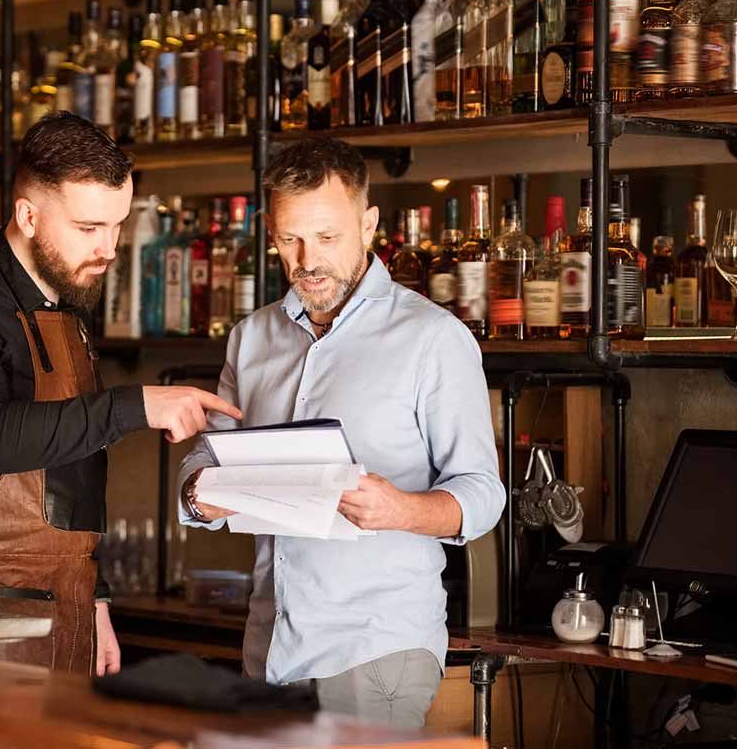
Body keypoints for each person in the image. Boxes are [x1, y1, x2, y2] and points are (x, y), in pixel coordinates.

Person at [0, 112, 242, 676]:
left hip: (64, 594)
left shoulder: (65, 303)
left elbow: (69, 471)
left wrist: (93, 591)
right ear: (27, 215)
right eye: (88, 228)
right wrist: (138, 405)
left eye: (117, 226)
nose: (108, 248)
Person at [177, 138, 503, 726]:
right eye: (289, 239)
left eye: (327, 237)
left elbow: (483, 495)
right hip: (270, 647)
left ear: (369, 223)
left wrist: (402, 509)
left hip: (373, 649)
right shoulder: (251, 339)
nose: (308, 259)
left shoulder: (432, 338)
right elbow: (208, 451)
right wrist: (196, 493)